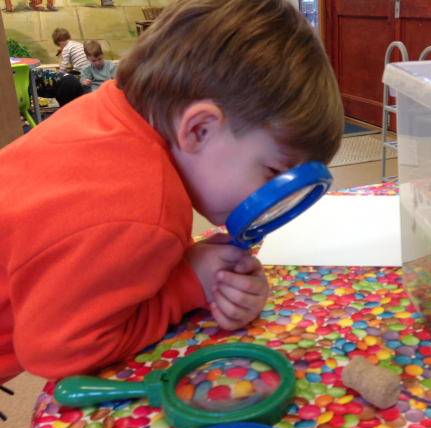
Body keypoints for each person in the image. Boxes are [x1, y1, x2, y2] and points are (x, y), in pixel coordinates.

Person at [0, 0, 342, 384]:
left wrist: (189, 266)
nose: (274, 197)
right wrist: (185, 287)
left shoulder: (104, 110)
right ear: (198, 129)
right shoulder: (145, 209)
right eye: (274, 172)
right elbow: (57, 352)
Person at [33, 28, 89, 101]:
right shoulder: (78, 44)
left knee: (66, 80)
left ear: (60, 43)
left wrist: (60, 76)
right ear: (70, 38)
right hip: (88, 70)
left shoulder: (66, 48)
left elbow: (64, 65)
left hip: (78, 71)